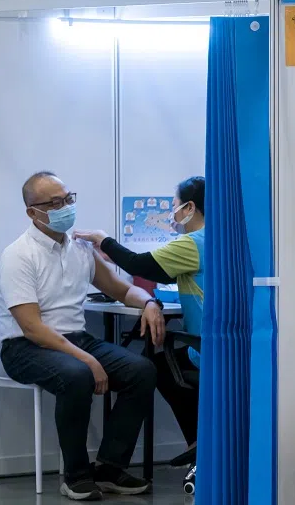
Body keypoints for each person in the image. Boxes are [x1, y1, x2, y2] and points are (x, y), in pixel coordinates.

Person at [0, 171, 166, 501]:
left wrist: (149, 302)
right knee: (77, 376)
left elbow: (118, 289)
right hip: (25, 347)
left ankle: (109, 469)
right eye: (55, 203)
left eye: (68, 199)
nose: (65, 208)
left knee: (142, 372)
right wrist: (87, 359)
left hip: (76, 339)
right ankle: (76, 475)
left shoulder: (80, 249)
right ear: (33, 212)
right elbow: (31, 327)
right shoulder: (17, 256)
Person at [74, 176, 205, 470]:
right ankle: (201, 443)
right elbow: (164, 274)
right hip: (232, 345)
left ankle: (199, 443)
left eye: (174, 207)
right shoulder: (219, 240)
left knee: (157, 364)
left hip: (207, 350)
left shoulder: (193, 243)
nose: (173, 214)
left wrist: (102, 240)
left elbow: (139, 265)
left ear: (190, 207)